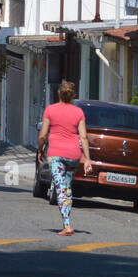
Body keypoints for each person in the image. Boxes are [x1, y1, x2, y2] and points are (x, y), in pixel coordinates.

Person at [37, 80, 93, 236]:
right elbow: (83, 137)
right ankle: (66, 222)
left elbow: (42, 135)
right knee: (67, 189)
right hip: (74, 155)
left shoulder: (50, 110)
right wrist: (87, 158)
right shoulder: (78, 112)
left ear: (58, 93)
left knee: (61, 189)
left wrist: (40, 150)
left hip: (56, 155)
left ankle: (67, 226)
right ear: (72, 95)